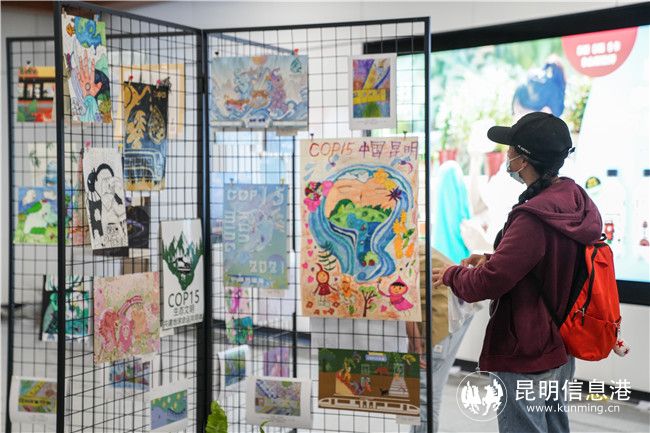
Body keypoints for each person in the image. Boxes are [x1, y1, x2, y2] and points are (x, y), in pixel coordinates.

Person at [432, 112, 603, 433]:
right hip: (560, 346)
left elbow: (489, 282)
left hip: (527, 349)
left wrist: (452, 275)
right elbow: (545, 260)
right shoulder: (574, 201)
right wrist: (492, 257)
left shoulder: (533, 217)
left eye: (510, 150)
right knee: (554, 426)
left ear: (524, 160)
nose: (506, 156)